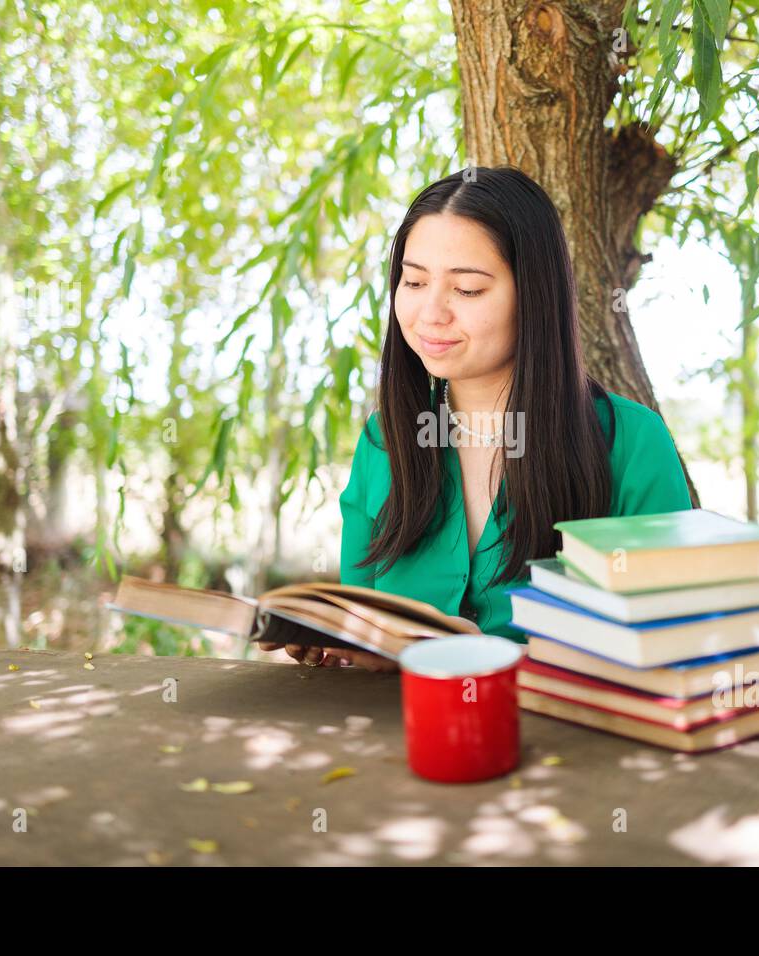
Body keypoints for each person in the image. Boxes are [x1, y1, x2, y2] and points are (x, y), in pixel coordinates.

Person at [259, 165, 694, 672]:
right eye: (415, 281)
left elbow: (672, 651)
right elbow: (367, 630)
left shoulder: (632, 444)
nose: (430, 313)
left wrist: (492, 657)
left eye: (467, 290)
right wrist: (342, 643)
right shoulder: (384, 442)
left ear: (533, 296)